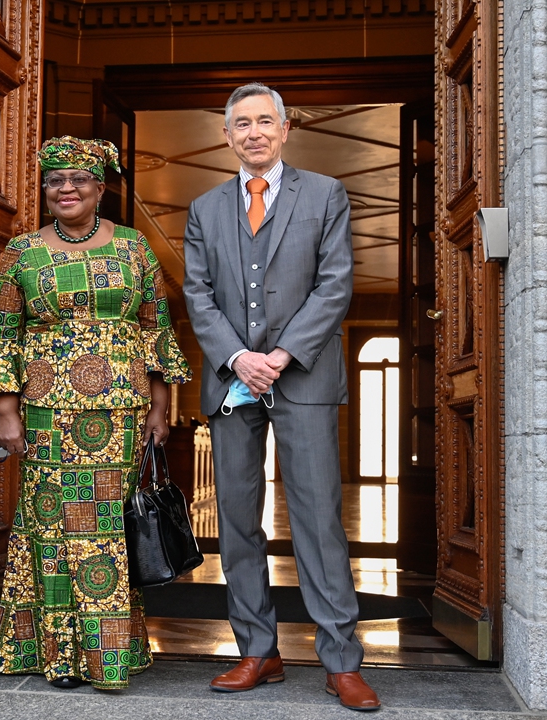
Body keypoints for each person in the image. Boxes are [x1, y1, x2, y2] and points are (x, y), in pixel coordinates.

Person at [182, 83, 380, 711]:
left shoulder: (325, 194)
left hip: (304, 377)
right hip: (232, 380)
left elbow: (335, 284)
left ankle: (341, 661)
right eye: (242, 124)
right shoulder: (204, 208)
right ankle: (257, 652)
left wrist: (281, 356)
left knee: (319, 519)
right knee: (239, 522)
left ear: (286, 128)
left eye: (265, 121)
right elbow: (198, 295)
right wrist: (239, 357)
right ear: (227, 135)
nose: (254, 132)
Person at [0, 136, 190, 690]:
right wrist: (7, 411)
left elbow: (155, 328)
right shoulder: (22, 252)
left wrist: (161, 406)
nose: (65, 189)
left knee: (105, 528)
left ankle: (109, 656)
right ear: (45, 190)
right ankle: (58, 656)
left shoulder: (135, 248)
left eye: (78, 180)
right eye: (54, 181)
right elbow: (1, 334)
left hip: (120, 412)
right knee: (52, 526)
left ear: (100, 187)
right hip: (45, 410)